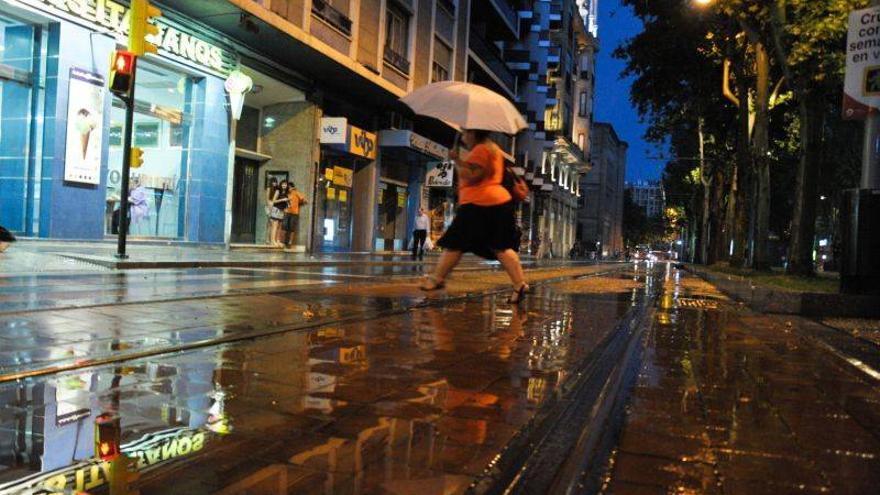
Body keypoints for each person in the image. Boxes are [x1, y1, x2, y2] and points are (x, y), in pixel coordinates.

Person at [420, 129, 529, 304]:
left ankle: (436, 279)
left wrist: (456, 159)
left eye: (465, 133)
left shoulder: (482, 150)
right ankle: (519, 284)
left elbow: (472, 175)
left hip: (480, 204)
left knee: (455, 243)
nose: (463, 138)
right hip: (497, 203)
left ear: (474, 134)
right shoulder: (493, 149)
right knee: (500, 247)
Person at [281, 181, 307, 251]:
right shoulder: (286, 193)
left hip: (294, 213)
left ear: (292, 187)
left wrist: (299, 203)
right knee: (284, 227)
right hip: (286, 212)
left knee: (291, 229)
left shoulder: (296, 192)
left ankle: (289, 243)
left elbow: (304, 200)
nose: (288, 188)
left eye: (289, 187)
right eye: (287, 187)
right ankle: (283, 242)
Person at [265, 178, 280, 245]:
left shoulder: (277, 190)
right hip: (269, 206)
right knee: (269, 223)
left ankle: (270, 239)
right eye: (273, 182)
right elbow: (267, 199)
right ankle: (267, 239)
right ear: (271, 183)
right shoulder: (268, 188)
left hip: (274, 207)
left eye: (275, 182)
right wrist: (270, 209)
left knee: (272, 224)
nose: (274, 184)